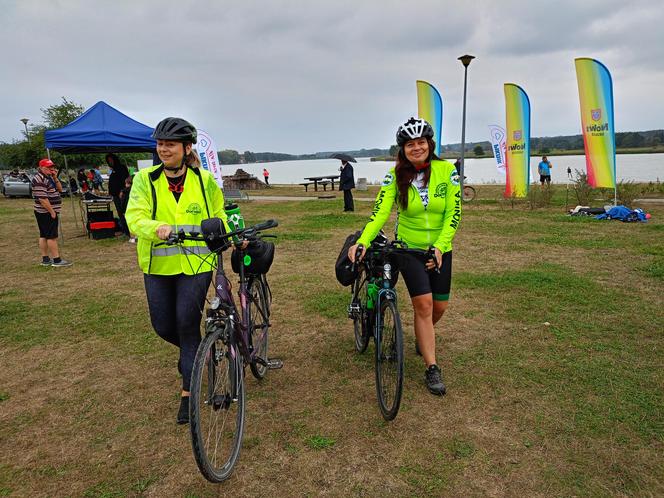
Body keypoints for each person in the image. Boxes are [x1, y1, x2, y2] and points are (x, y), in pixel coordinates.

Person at [125, 117, 231, 425]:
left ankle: (188, 392)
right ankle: (195, 353)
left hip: (196, 264)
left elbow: (220, 212)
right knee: (162, 326)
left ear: (186, 148)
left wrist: (223, 230)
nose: (163, 149)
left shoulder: (204, 181)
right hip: (158, 265)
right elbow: (135, 217)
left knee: (186, 322)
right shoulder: (145, 180)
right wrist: (155, 227)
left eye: (170, 144)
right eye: (160, 144)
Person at [348, 117, 461, 396]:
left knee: (439, 308)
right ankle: (431, 367)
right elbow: (380, 212)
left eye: (421, 142)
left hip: (439, 248)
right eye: (410, 144)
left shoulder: (447, 171)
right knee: (423, 305)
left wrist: (440, 245)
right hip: (408, 249)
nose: (416, 148)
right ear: (403, 149)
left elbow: (453, 213)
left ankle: (423, 336)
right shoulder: (394, 175)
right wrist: (363, 240)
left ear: (429, 144)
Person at [31, 158, 72, 267]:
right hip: (45, 212)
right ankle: (56, 260)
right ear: (41, 168)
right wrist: (52, 212)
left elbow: (60, 190)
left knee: (44, 235)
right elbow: (43, 199)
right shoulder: (39, 179)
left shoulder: (48, 177)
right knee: (51, 236)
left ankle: (45, 259)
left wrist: (54, 177)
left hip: (46, 211)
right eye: (48, 167)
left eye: (52, 167)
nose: (51, 169)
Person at [106, 153, 130, 235]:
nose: (110, 162)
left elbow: (126, 180)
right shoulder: (113, 170)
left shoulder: (121, 168)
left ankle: (129, 231)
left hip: (122, 194)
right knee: (120, 213)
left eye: (111, 160)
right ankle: (125, 230)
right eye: (108, 161)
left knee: (125, 212)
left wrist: (122, 191)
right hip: (115, 195)